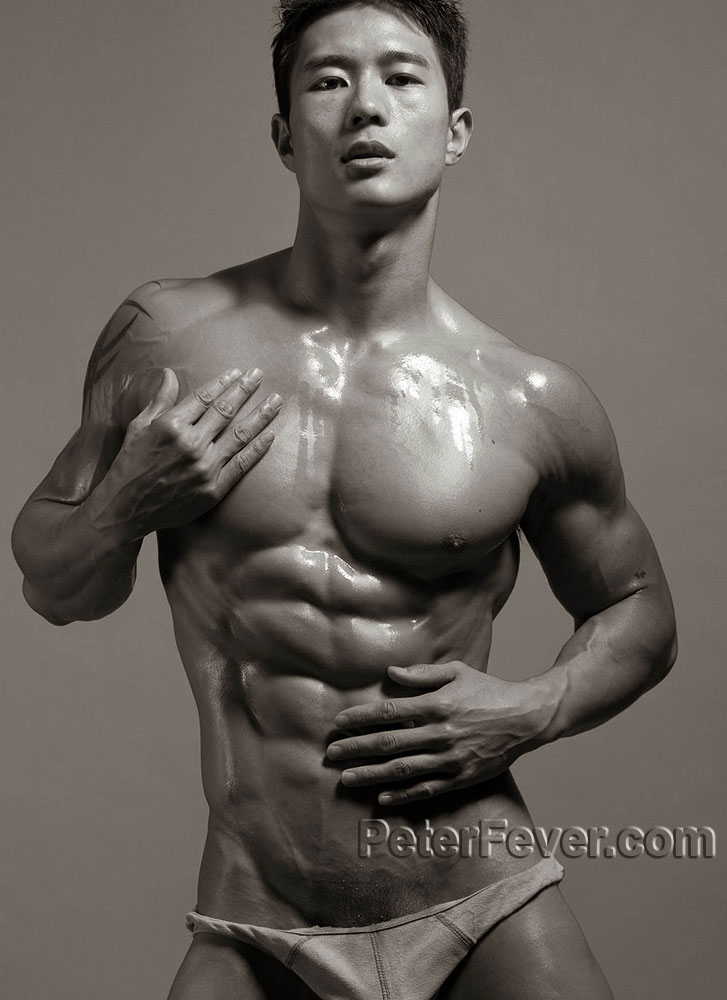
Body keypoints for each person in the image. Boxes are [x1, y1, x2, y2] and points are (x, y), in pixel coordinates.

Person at [12, 1, 677, 997]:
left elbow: (640, 609)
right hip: (256, 911)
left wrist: (532, 707)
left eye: (401, 77)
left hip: (477, 894)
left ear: (455, 129)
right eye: (328, 80)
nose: (365, 105)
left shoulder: (528, 399)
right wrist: (128, 503)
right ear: (285, 136)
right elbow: (54, 585)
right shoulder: (165, 337)